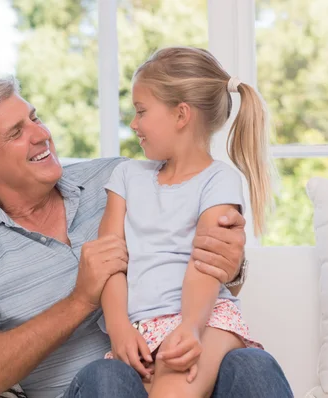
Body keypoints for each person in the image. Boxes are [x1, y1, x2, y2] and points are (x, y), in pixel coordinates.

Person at [0, 76, 293, 398]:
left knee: (252, 365)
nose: (41, 134)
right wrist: (80, 300)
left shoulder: (121, 177)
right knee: (107, 377)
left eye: (35, 118)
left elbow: (204, 259)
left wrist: (229, 268)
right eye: (16, 132)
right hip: (95, 388)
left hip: (188, 375)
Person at [97, 46, 276, 398]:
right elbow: (109, 263)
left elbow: (206, 261)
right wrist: (119, 329)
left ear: (181, 115)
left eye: (141, 111)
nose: (133, 124)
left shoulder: (218, 181)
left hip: (206, 322)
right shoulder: (126, 177)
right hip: (140, 329)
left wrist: (192, 327)